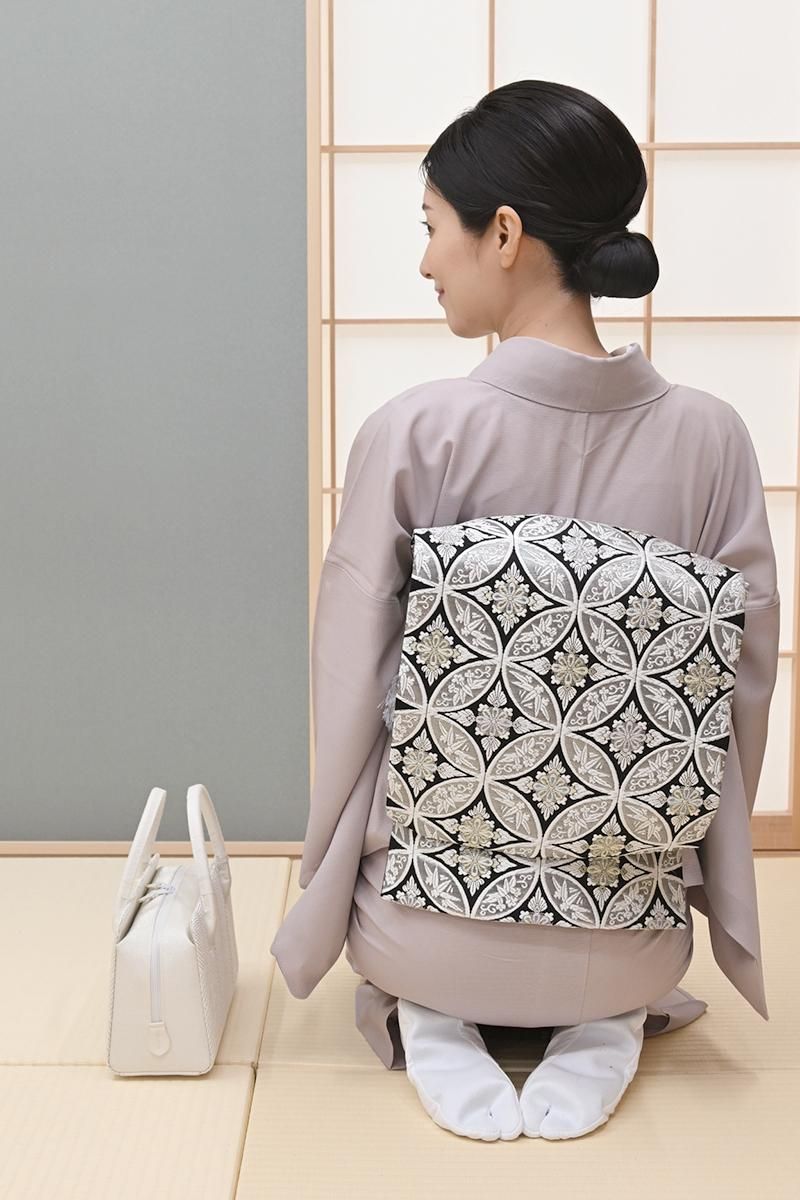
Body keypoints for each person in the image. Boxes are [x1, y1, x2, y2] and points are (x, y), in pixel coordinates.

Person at [269, 79, 780, 1142]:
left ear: (501, 233)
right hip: (630, 934)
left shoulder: (415, 431)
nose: (424, 262)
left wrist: (328, 885)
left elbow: (350, 687)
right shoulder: (712, 437)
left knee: (402, 900)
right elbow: (741, 688)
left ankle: (434, 1012)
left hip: (417, 922)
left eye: (431, 228)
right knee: (621, 952)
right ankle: (607, 1021)